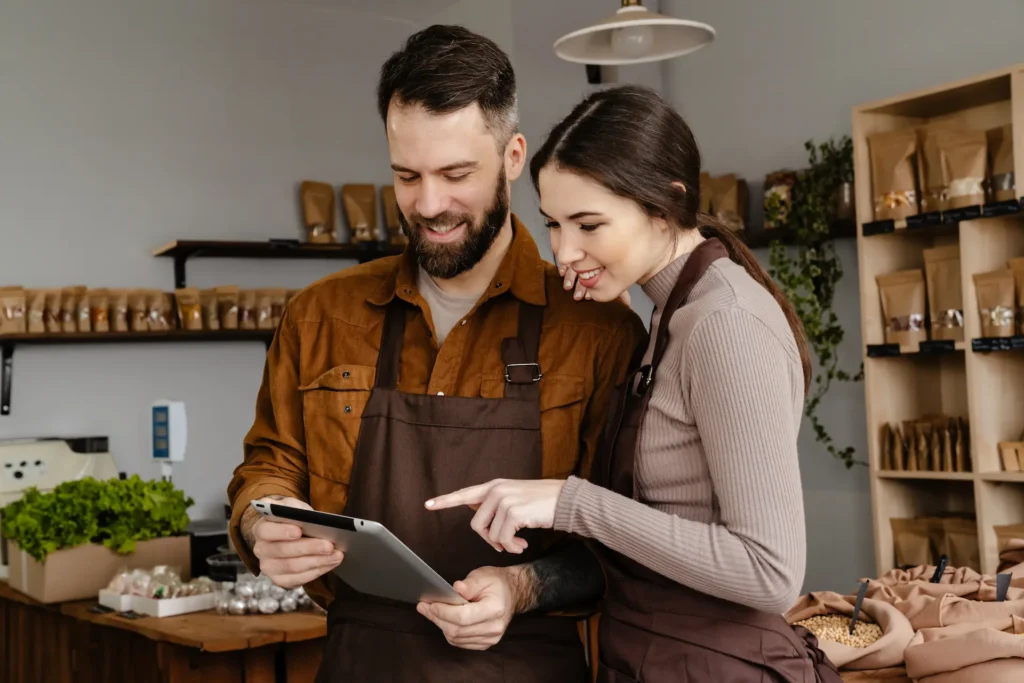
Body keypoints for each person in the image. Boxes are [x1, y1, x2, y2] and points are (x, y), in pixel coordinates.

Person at [225, 25, 647, 683]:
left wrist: (523, 587)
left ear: (512, 156)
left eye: (455, 174)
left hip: (526, 667)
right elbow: (269, 466)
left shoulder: (599, 332)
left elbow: (629, 543)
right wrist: (262, 526)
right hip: (359, 663)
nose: (429, 204)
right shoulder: (321, 315)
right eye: (406, 175)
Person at [425, 85, 844, 682]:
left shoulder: (724, 323)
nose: (565, 251)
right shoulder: (670, 313)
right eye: (553, 225)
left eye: (589, 224)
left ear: (666, 203)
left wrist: (571, 502)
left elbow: (769, 573)